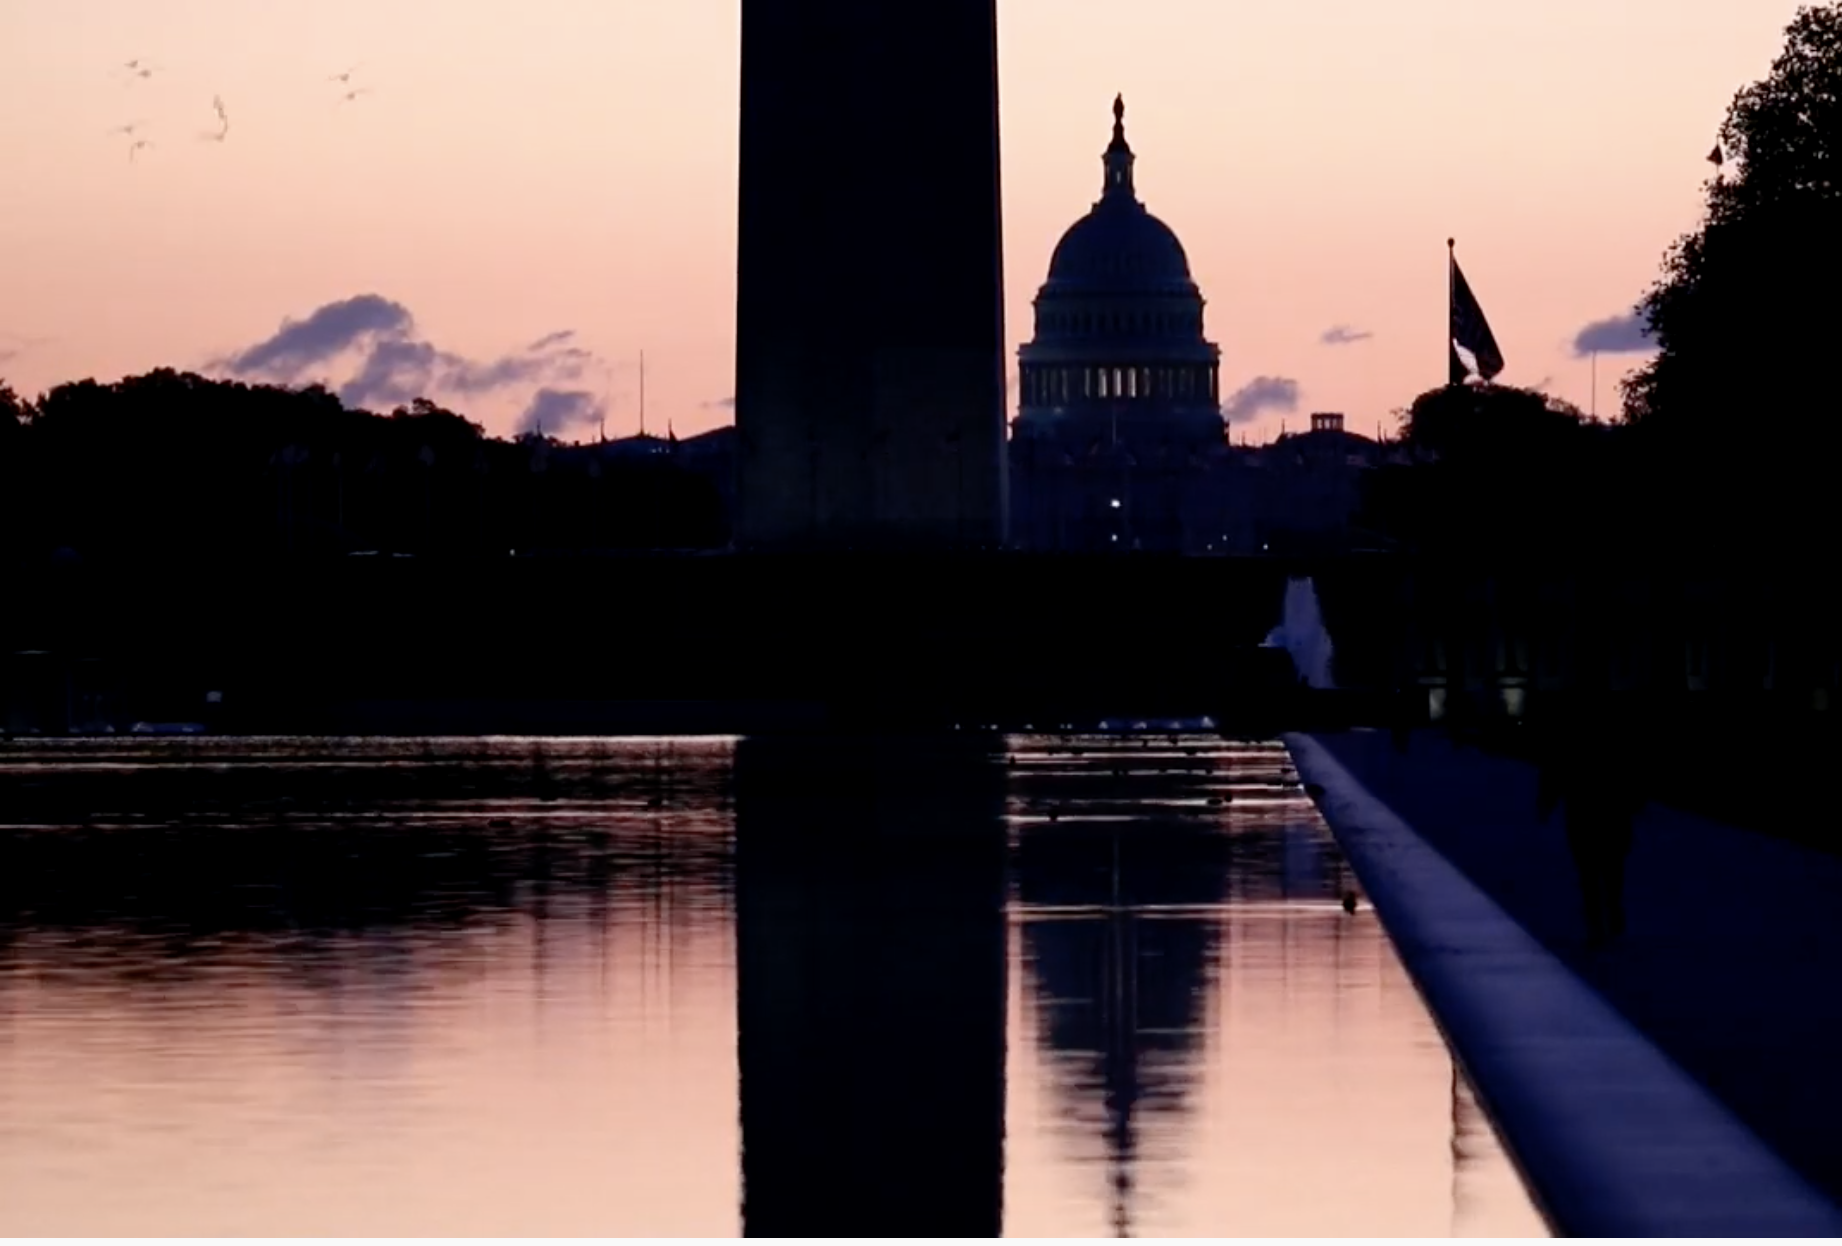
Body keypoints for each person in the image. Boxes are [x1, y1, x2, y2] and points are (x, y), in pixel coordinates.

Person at [1534, 695, 1646, 948]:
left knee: (1589, 872)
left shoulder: (1570, 745)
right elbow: (1632, 771)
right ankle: (1611, 909)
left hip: (1583, 812)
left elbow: (1554, 774)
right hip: (1611, 811)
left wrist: (1546, 804)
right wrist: (1636, 802)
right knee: (1612, 867)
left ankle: (1596, 922)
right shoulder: (1616, 743)